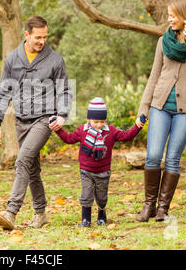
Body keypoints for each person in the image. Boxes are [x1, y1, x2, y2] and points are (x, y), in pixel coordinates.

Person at [136, 0, 186, 222]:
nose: (169, 19)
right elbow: (153, 76)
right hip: (160, 106)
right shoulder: (163, 41)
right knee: (152, 156)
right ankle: (148, 206)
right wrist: (144, 107)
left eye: (173, 15)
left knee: (172, 159)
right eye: (168, 15)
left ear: (184, 16)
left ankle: (162, 209)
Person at [0, 16, 72, 230]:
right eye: (37, 37)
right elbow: (3, 92)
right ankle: (40, 213)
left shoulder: (55, 60)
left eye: (45, 37)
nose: (41, 41)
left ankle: (11, 212)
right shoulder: (12, 59)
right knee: (32, 168)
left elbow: (64, 90)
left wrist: (62, 114)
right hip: (21, 121)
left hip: (44, 119)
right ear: (26, 35)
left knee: (22, 160)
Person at [52, 97, 144, 227]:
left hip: (103, 172)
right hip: (86, 171)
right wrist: (57, 129)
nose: (99, 124)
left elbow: (127, 136)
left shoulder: (110, 131)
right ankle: (86, 219)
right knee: (86, 195)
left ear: (105, 120)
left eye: (102, 121)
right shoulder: (82, 131)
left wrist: (137, 126)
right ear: (89, 120)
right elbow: (68, 138)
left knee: (101, 197)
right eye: (95, 121)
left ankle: (101, 213)